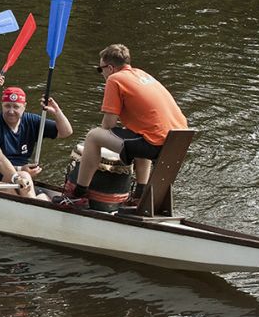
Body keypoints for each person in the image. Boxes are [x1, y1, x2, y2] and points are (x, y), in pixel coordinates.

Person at [65, 44, 188, 207]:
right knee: (138, 135)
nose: (101, 74)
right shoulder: (142, 74)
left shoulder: (115, 79)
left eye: (100, 69)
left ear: (109, 67)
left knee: (93, 136)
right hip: (179, 140)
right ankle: (139, 194)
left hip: (156, 144)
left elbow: (108, 124)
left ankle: (78, 194)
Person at [0, 86, 72, 178]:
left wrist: (57, 112)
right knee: (25, 177)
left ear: (24, 107)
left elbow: (66, 132)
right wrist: (20, 170)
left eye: (16, 107)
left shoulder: (32, 121)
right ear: (2, 105)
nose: (11, 111)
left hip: (22, 176)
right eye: (7, 106)